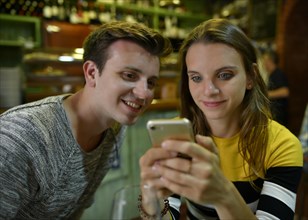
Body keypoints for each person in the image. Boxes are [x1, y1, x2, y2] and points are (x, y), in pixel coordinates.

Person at [0, 21, 172, 219]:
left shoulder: (114, 127)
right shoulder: (18, 138)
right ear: (91, 73)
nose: (144, 94)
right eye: (129, 75)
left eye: (151, 82)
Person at [139, 18, 303, 220]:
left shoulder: (281, 145)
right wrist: (151, 202)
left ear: (251, 77)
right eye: (196, 78)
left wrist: (223, 195)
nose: (209, 91)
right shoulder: (179, 136)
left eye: (224, 75)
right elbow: (167, 213)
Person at [263, 50, 290, 126]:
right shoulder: (272, 74)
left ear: (270, 61)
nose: (264, 64)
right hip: (275, 113)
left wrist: (266, 94)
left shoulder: (278, 74)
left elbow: (285, 92)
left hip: (279, 115)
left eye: (265, 61)